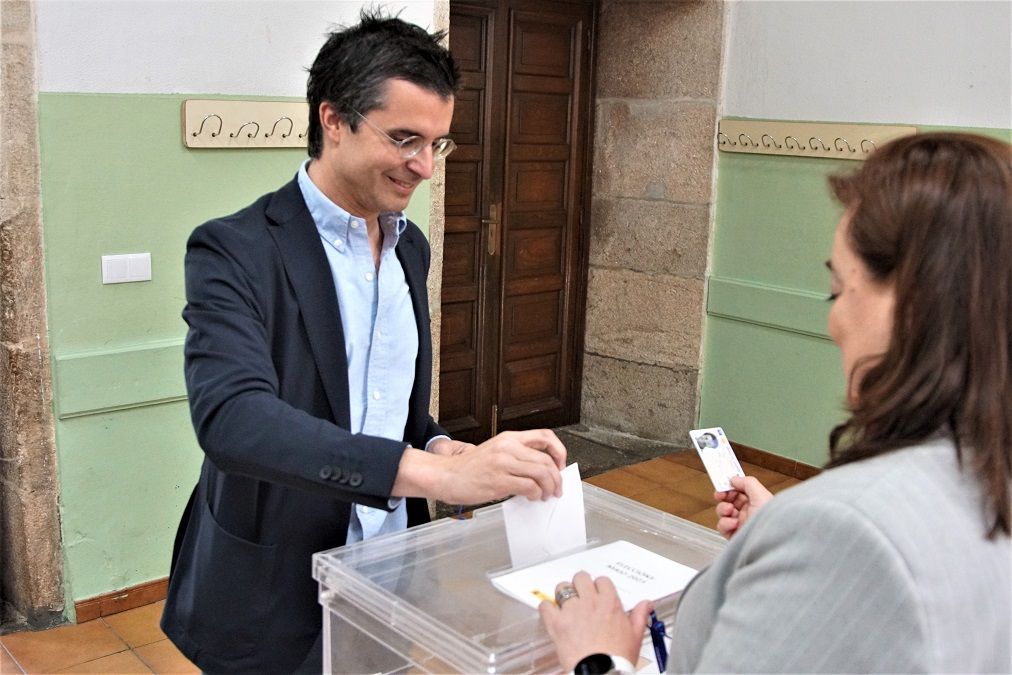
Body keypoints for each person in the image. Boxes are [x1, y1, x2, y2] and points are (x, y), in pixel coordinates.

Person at [161, 12, 566, 673]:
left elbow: (389, 410)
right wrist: (436, 474)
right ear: (334, 120)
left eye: (438, 143)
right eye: (405, 138)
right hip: (272, 583)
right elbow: (233, 420)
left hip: (386, 573)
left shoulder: (411, 250)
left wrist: (443, 443)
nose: (424, 167)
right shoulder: (235, 248)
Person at [540, 132, 1011, 673]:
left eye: (838, 291)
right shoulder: (985, 472)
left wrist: (598, 660)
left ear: (911, 302)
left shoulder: (844, 533)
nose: (834, 323)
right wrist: (786, 530)